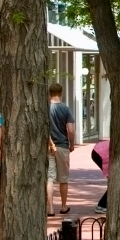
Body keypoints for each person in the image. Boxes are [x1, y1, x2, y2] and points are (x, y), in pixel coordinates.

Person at [47, 83, 75, 216]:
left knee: (49, 178)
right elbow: (70, 129)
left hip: (47, 146)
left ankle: (50, 208)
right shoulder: (66, 109)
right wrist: (72, 144)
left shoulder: (45, 108)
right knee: (63, 178)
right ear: (61, 93)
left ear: (49, 94)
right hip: (62, 145)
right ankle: (63, 206)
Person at [90, 140, 110, 214]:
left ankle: (103, 204)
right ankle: (101, 206)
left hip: (98, 150)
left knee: (115, 182)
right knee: (114, 183)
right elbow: (107, 161)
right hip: (99, 153)